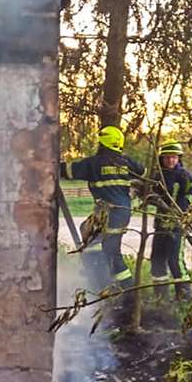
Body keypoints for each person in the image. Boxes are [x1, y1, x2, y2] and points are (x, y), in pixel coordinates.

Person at [61, 126, 146, 296]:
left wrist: (45, 163)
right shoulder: (126, 162)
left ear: (102, 143)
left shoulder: (94, 163)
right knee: (87, 230)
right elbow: (143, 171)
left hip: (110, 214)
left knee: (112, 251)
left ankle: (128, 293)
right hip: (122, 212)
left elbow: (67, 171)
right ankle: (98, 273)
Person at [150, 141, 192, 301]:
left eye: (173, 157)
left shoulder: (184, 175)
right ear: (161, 159)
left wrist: (182, 205)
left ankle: (184, 297)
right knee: (157, 259)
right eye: (167, 158)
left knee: (174, 260)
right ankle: (161, 297)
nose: (170, 161)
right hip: (160, 223)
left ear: (179, 158)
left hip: (177, 223)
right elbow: (148, 192)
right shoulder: (157, 176)